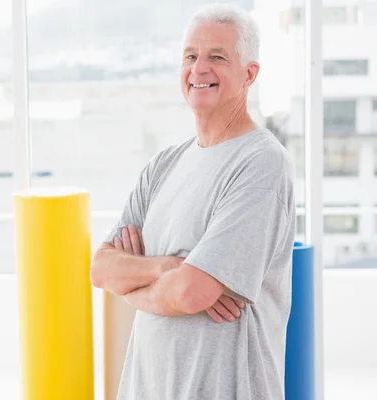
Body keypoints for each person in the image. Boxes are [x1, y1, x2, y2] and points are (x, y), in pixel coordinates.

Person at [89, 3, 296, 400]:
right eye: (190, 56)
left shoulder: (262, 163)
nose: (199, 69)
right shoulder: (163, 165)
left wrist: (133, 286)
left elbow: (190, 293)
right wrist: (169, 266)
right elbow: (101, 269)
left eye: (217, 57)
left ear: (249, 74)